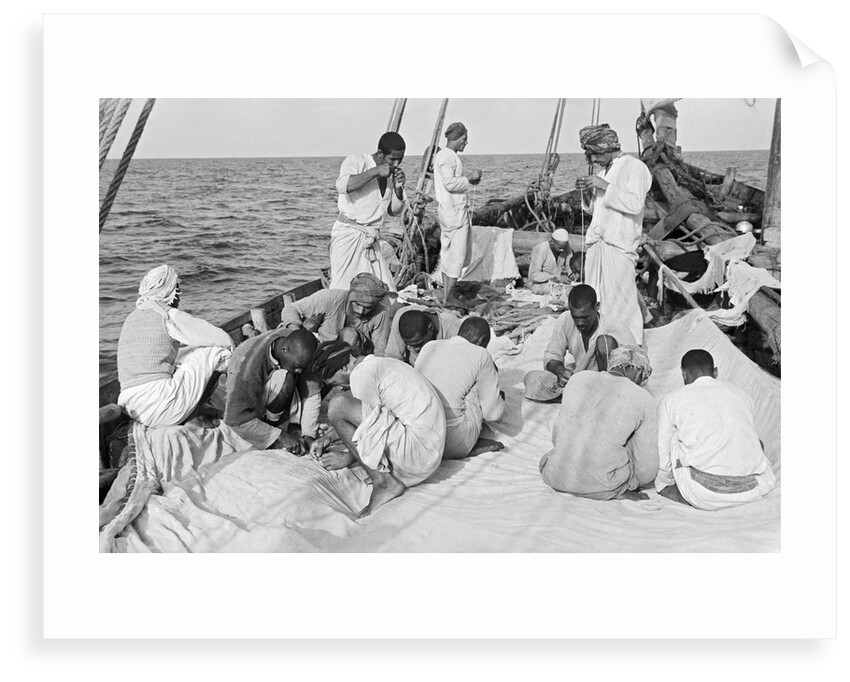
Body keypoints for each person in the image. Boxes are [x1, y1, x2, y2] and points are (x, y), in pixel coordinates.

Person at [309, 341, 446, 516]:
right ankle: (387, 476)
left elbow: (369, 429)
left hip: (418, 455)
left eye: (335, 383)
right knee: (344, 403)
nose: (340, 387)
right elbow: (371, 420)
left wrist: (347, 458)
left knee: (337, 406)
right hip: (429, 452)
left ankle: (384, 483)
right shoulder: (377, 365)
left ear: (344, 367)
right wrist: (328, 437)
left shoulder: (361, 375)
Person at [655, 349, 776, 510]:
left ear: (684, 374)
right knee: (753, 439)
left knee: (673, 437)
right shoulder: (740, 393)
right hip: (755, 488)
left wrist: (663, 484)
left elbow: (662, 450)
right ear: (715, 372)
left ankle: (672, 486)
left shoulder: (672, 399)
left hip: (704, 494)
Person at [117, 264, 234, 428]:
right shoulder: (165, 313)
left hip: (129, 406)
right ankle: (199, 414)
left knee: (184, 358)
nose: (179, 298)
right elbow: (220, 338)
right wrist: (235, 352)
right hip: (159, 406)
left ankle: (197, 409)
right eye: (177, 291)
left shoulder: (132, 317)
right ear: (172, 292)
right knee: (216, 351)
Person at [539, 345, 658, 500]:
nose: (641, 382)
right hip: (603, 487)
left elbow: (558, 436)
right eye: (643, 376)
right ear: (637, 369)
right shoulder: (643, 398)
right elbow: (647, 466)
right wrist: (633, 483)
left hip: (554, 477)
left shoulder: (578, 378)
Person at [575, 124, 652, 344]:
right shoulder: (602, 173)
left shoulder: (635, 167)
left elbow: (635, 204)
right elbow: (595, 210)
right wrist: (587, 193)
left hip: (618, 246)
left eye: (595, 154)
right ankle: (603, 342)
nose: (593, 160)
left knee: (622, 301)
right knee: (596, 297)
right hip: (597, 244)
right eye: (590, 155)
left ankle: (631, 345)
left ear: (607, 147)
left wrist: (605, 186)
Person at [523, 284, 635, 402]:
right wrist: (560, 371)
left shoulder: (615, 326)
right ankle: (582, 397)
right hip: (580, 378)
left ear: (596, 307)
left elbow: (638, 365)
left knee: (604, 343)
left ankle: (602, 398)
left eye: (585, 317)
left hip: (610, 384)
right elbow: (552, 355)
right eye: (576, 317)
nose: (580, 322)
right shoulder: (565, 319)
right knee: (532, 379)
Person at [414, 316, 505, 459]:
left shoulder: (430, 346)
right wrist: (499, 398)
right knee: (480, 388)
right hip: (452, 443)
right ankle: (469, 442)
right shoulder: (481, 354)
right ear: (481, 340)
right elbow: (494, 414)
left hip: (419, 435)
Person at [329, 132, 407, 292]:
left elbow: (394, 211)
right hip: (348, 236)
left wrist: (398, 188)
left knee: (388, 292)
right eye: (393, 159)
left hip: (372, 239)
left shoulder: (391, 174)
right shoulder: (357, 161)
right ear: (380, 153)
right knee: (341, 290)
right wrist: (375, 172)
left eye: (400, 159)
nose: (397, 163)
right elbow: (343, 186)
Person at [223, 328, 319, 454]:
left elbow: (312, 393)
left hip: (266, 392)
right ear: (284, 349)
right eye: (297, 366)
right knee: (286, 379)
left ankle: (276, 423)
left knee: (306, 376)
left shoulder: (297, 346)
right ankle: (271, 426)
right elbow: (235, 419)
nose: (300, 371)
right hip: (246, 401)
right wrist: (279, 435)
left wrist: (309, 435)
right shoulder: (248, 369)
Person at [278, 272, 392, 356]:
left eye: (368, 308)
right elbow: (291, 309)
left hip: (354, 357)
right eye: (357, 304)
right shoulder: (331, 298)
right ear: (350, 296)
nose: (361, 311)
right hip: (322, 348)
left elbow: (380, 351)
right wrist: (297, 337)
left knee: (349, 335)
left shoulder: (381, 313)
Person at [433, 122, 482, 306]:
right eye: (464, 139)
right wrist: (469, 178)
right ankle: (449, 296)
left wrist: (468, 182)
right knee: (457, 256)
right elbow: (449, 183)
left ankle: (448, 295)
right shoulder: (447, 157)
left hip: (449, 212)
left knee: (448, 255)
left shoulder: (445, 156)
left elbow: (452, 183)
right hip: (454, 215)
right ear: (456, 138)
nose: (466, 143)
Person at [383, 306, 463, 366]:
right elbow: (393, 359)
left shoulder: (454, 329)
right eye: (410, 345)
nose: (415, 349)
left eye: (419, 344)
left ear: (430, 328)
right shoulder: (401, 316)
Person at [527, 229, 571, 294]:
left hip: (556, 283)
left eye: (564, 247)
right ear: (551, 242)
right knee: (563, 292)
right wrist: (557, 277)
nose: (562, 250)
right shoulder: (541, 249)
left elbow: (569, 265)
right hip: (539, 285)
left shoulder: (566, 247)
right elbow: (533, 274)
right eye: (559, 247)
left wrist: (572, 274)